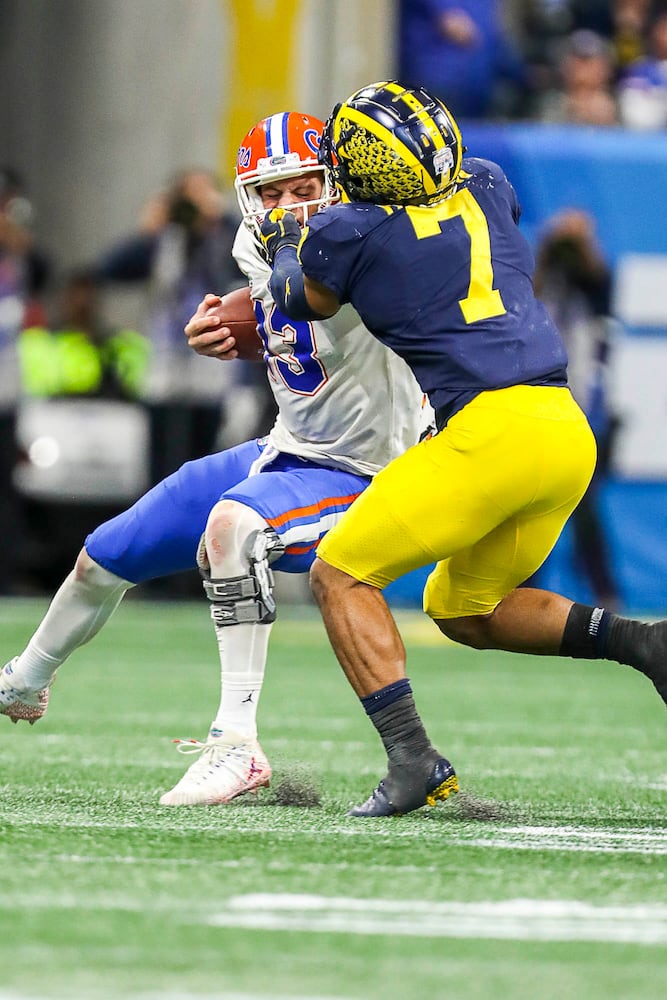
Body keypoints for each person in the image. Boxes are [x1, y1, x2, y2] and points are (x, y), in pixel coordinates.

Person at [258, 80, 667, 818]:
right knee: (461, 607)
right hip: (559, 428)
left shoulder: (348, 231)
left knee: (340, 574)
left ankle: (411, 759)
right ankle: (642, 644)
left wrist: (286, 240)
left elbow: (300, 298)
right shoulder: (486, 180)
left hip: (488, 431)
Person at [0, 112, 430, 809]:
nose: (289, 206)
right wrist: (245, 328)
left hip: (365, 467)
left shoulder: (368, 240)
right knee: (102, 555)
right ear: (248, 194)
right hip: (287, 447)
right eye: (273, 192)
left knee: (233, 531)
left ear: (337, 183)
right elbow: (307, 329)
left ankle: (236, 743)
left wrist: (262, 318)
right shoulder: (253, 241)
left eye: (305, 188)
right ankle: (24, 678)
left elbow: (351, 312)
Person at [531, 209, 621, 609]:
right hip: (540, 409)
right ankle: (521, 590)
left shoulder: (593, 290)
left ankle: (605, 591)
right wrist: (551, 242)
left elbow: (598, 277)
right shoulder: (543, 287)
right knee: (528, 505)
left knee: (584, 510)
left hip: (582, 414)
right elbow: (529, 289)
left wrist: (579, 239)